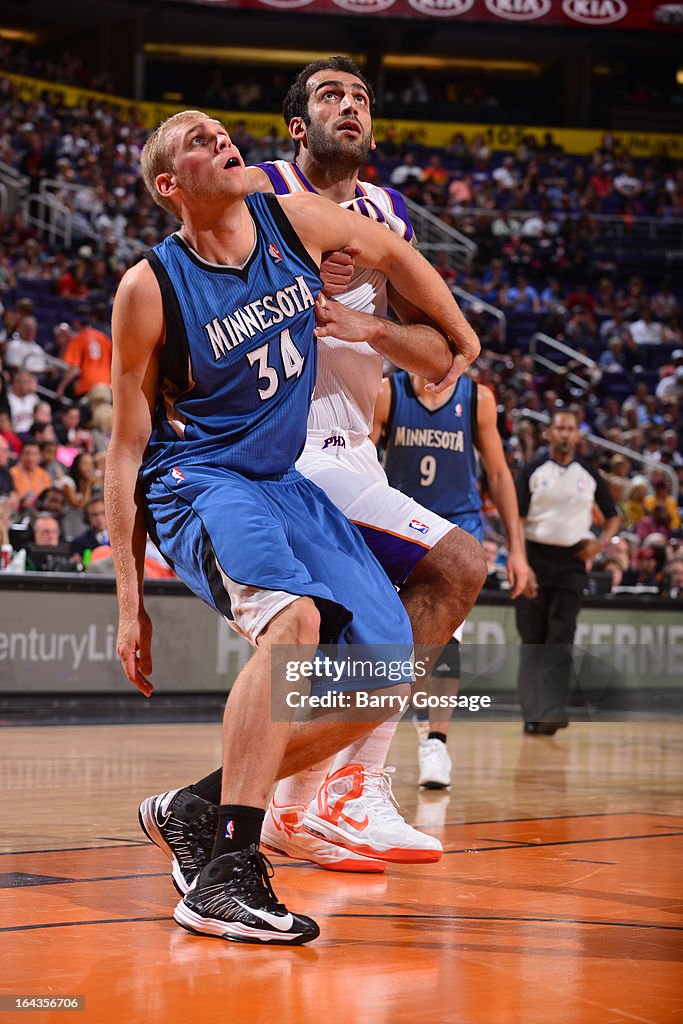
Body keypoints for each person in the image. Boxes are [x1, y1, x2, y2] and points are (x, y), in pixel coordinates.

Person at [106, 109, 479, 944]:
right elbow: (125, 452)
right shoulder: (150, 285)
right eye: (197, 142)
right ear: (170, 186)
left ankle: (196, 810)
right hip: (201, 479)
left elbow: (395, 254)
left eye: (221, 133)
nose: (221, 143)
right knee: (294, 622)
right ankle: (226, 870)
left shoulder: (294, 221)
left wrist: (458, 334)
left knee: (386, 673)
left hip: (285, 481)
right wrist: (127, 598)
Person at [374, 370, 529, 786]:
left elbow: (498, 475)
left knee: (446, 640)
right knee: (392, 641)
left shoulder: (476, 396)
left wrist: (517, 549)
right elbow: (363, 463)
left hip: (457, 531)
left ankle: (435, 743)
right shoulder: (389, 393)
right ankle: (377, 741)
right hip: (399, 527)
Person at [514, 408, 620, 735]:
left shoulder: (588, 474)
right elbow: (516, 520)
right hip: (533, 557)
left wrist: (600, 544)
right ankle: (533, 712)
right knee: (534, 638)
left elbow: (612, 515)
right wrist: (521, 562)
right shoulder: (532, 470)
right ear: (549, 433)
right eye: (559, 427)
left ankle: (553, 708)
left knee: (561, 636)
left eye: (570, 428)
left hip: (572, 562)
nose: (563, 433)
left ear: (576, 435)